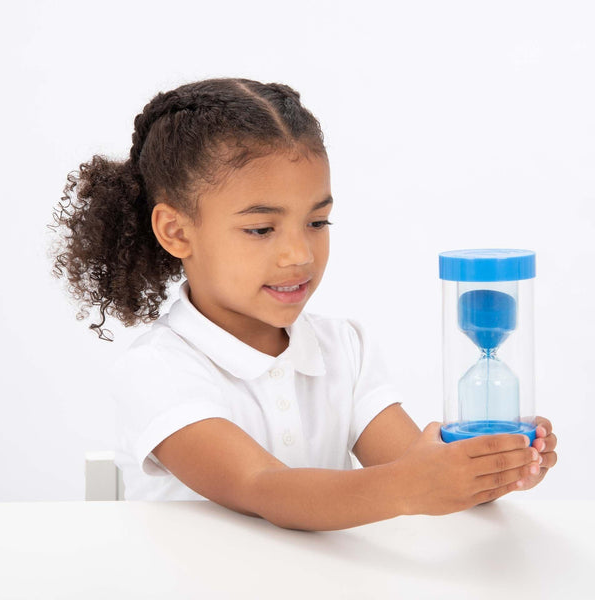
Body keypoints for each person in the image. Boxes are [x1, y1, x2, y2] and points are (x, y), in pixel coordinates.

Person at [47, 77, 557, 531]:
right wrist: (409, 485)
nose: (300, 254)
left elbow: (419, 472)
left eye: (317, 222)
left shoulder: (344, 348)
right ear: (177, 231)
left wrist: (491, 469)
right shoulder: (158, 369)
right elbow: (262, 487)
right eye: (261, 229)